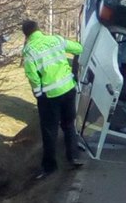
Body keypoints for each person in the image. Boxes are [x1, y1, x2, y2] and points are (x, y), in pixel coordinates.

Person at [21, 20, 84, 180]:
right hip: (68, 89)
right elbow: (79, 48)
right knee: (69, 124)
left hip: (50, 96)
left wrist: (37, 93)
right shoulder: (55, 39)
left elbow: (32, 75)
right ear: (39, 29)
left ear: (26, 35)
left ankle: (50, 167)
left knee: (50, 131)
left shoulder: (29, 50)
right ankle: (74, 157)